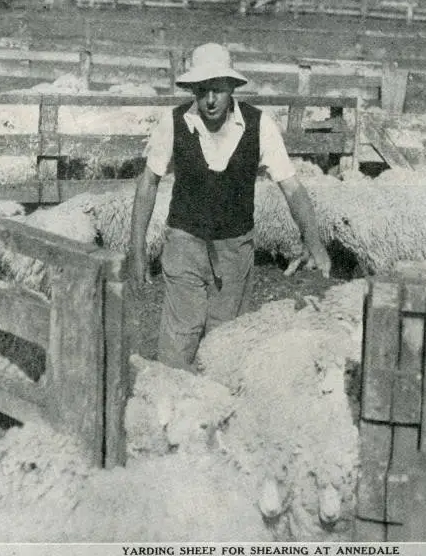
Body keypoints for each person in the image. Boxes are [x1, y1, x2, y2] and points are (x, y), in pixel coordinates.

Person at [129, 42, 331, 372]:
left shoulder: (259, 125)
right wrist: (136, 250)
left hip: (235, 251)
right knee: (179, 341)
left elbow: (292, 187)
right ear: (193, 88)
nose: (210, 100)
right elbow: (147, 183)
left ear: (232, 88)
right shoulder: (174, 123)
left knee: (224, 345)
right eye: (203, 90)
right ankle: (170, 413)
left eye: (218, 91)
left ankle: (212, 419)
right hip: (184, 244)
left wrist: (315, 242)